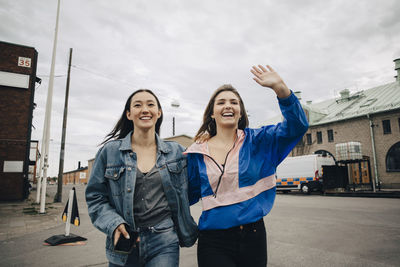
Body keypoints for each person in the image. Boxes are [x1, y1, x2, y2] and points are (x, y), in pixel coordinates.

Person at [184, 65, 309, 266]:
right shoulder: (196, 153)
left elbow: (297, 127)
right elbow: (184, 196)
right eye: (221, 102)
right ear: (212, 113)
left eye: (234, 102)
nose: (228, 106)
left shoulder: (259, 142)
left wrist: (281, 89)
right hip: (213, 241)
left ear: (240, 113)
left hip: (253, 237)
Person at [86, 89, 197, 267]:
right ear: (129, 114)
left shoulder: (176, 152)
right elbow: (95, 197)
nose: (145, 109)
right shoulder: (110, 152)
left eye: (150, 104)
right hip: (124, 239)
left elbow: (195, 186)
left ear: (159, 113)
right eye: (138, 105)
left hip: (164, 240)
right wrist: (113, 223)